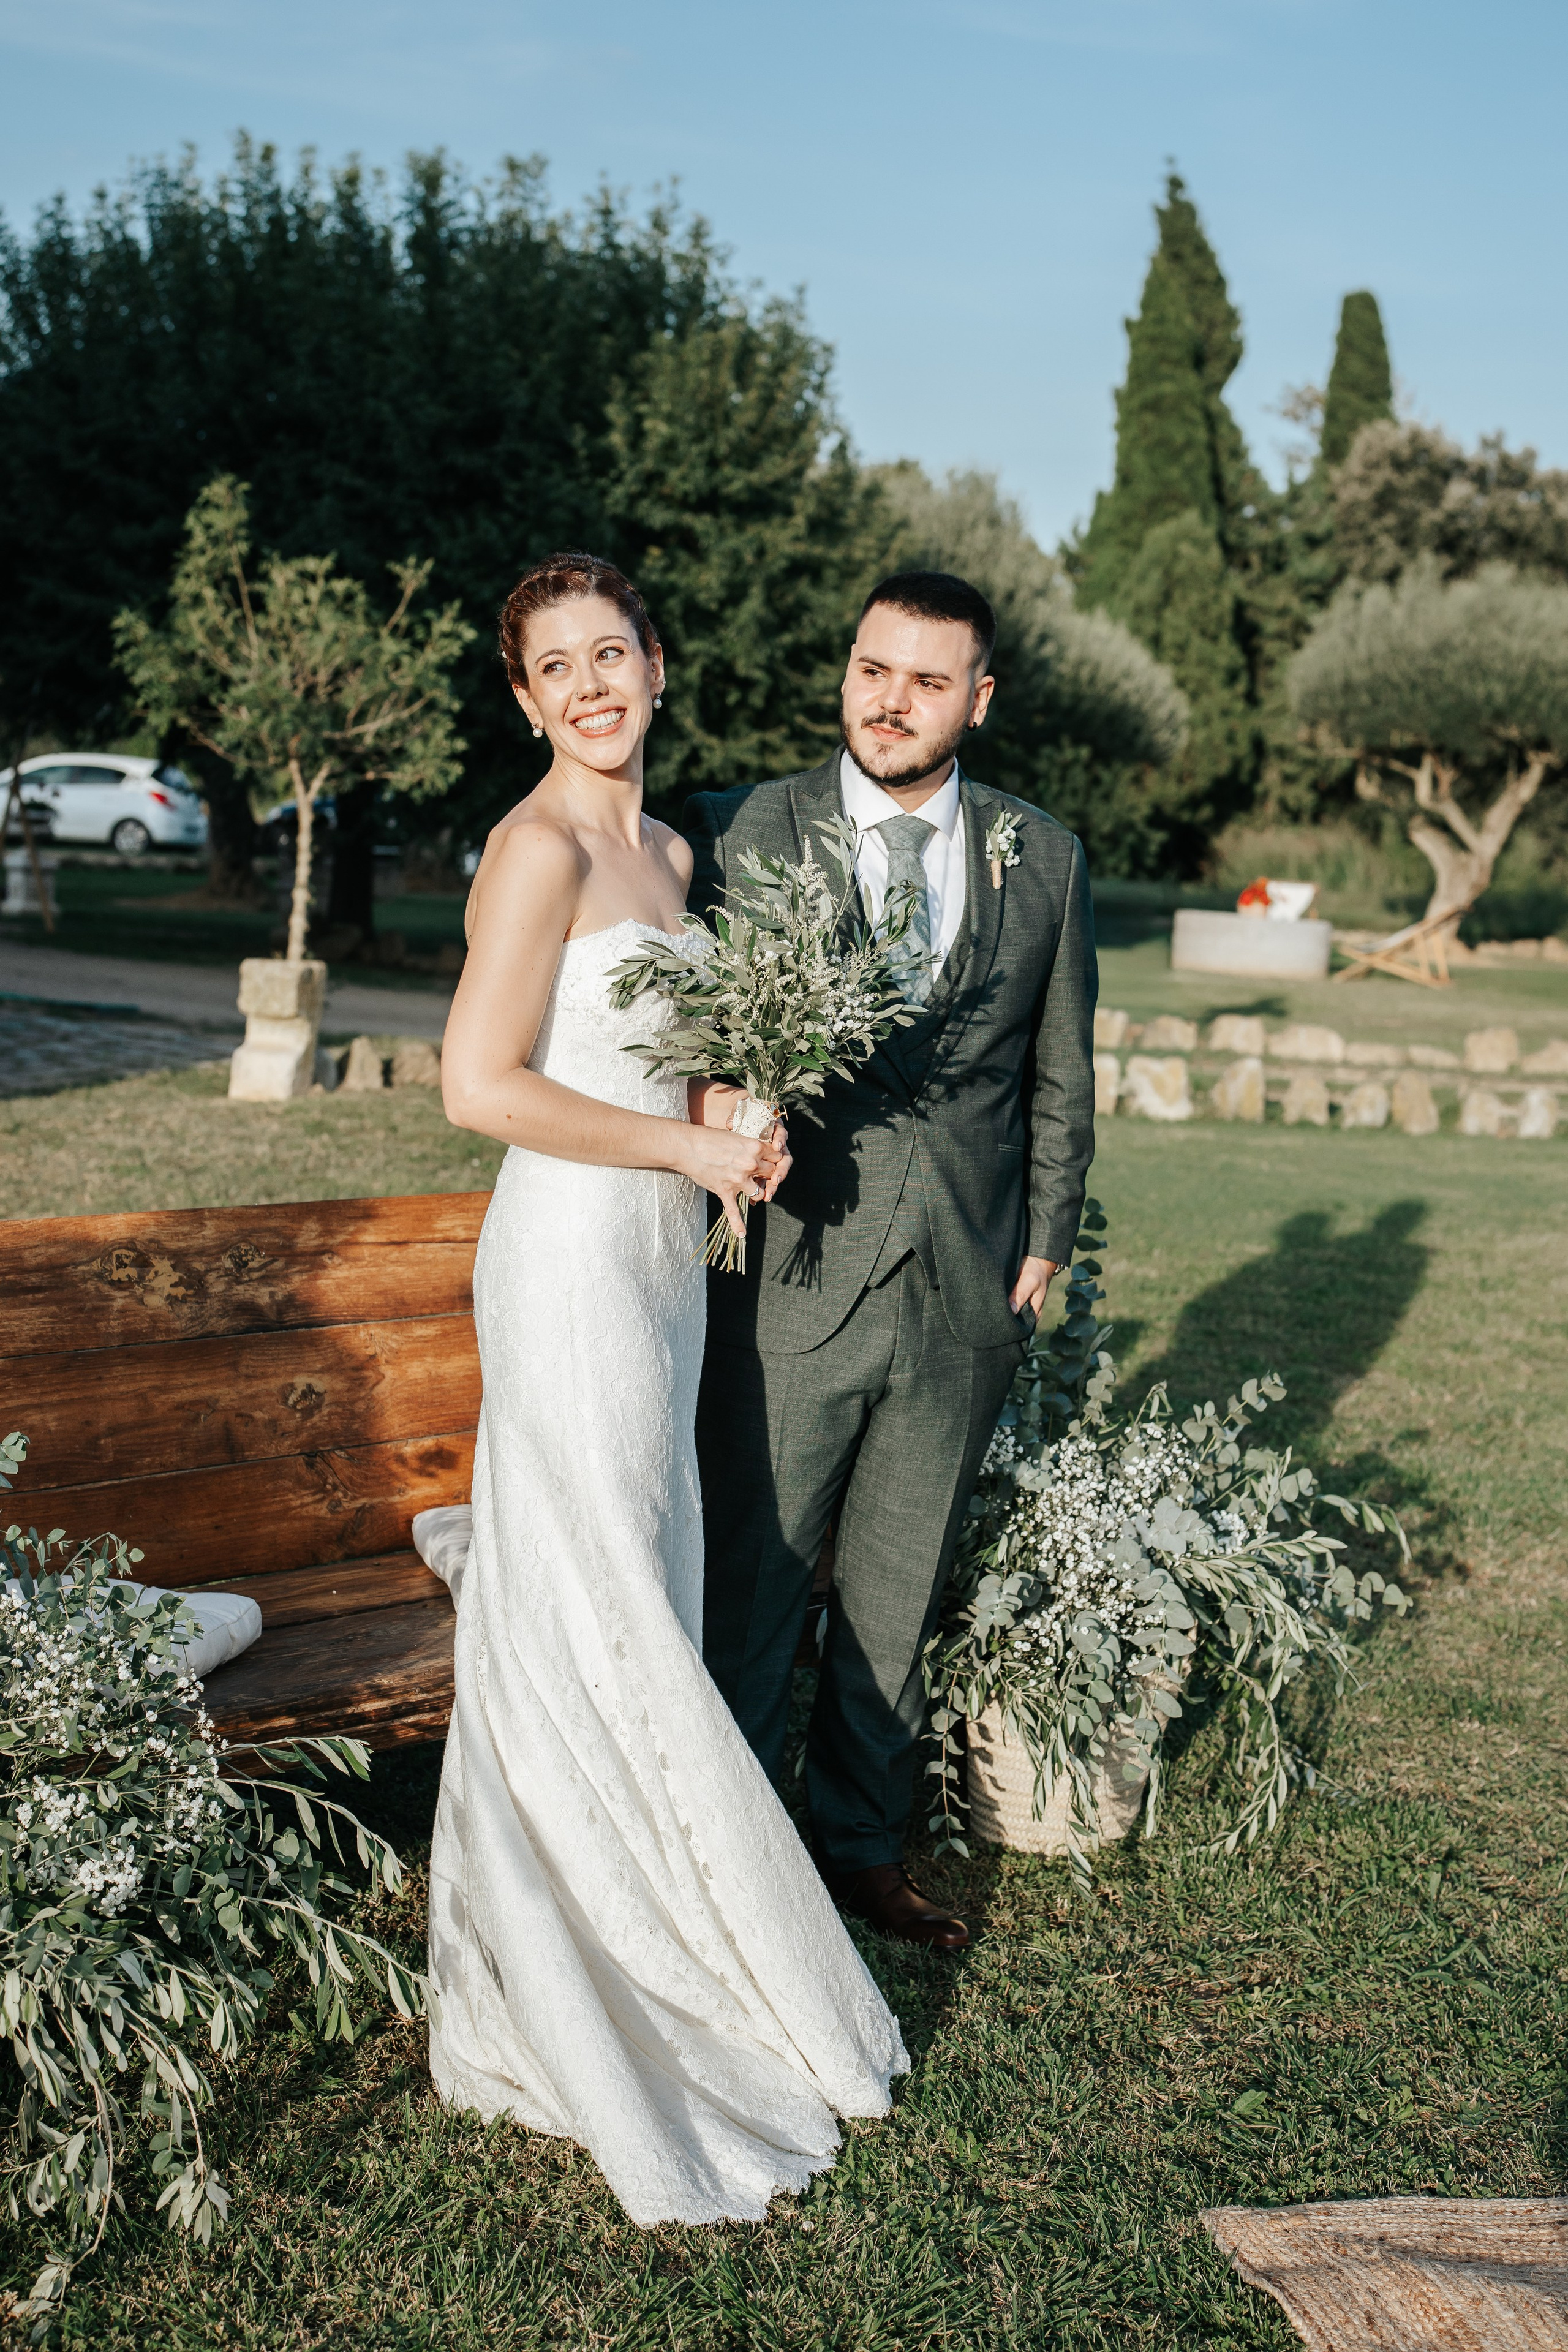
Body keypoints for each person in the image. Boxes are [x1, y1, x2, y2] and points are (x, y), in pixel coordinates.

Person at [428, 551, 908, 2228]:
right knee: (598, 1600)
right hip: (563, 1268)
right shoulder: (538, 846)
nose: (588, 686)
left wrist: (728, 1140)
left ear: (655, 660)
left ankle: (660, 1924)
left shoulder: (676, 849)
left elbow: (669, 1055)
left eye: (610, 652)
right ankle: (600, 1974)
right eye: (553, 666)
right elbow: (478, 1084)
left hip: (655, 1269)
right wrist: (677, 1138)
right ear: (523, 696)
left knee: (643, 1571)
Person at [685, 570, 1097, 1954]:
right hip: (790, 1277)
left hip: (965, 1286)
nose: (890, 700)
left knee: (897, 1590)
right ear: (846, 670)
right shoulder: (745, 830)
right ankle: (725, 1860)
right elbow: (677, 1039)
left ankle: (858, 1848)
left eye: (926, 681)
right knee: (750, 1586)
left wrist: (1045, 1233)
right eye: (873, 668)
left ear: (975, 700)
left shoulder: (1041, 855)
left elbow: (1058, 1068)